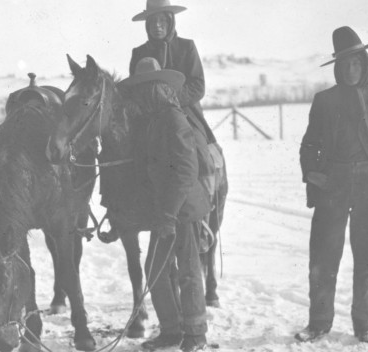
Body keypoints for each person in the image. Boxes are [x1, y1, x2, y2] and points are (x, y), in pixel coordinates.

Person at [296, 26, 368, 345]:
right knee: (323, 257)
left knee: (367, 258)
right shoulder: (324, 100)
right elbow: (309, 145)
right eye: (344, 64)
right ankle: (318, 323)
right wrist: (314, 173)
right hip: (333, 183)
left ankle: (364, 325)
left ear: (364, 63)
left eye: (356, 63)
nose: (350, 70)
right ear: (337, 68)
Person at [121, 57, 212, 352]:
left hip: (183, 210)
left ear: (157, 89)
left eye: (146, 88)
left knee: (187, 271)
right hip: (168, 211)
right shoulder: (152, 121)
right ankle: (172, 331)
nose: (140, 95)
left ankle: (195, 335)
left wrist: (169, 214)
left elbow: (186, 171)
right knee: (156, 269)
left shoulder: (173, 118)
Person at [129, 0, 217, 146]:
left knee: (201, 154)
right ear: (147, 25)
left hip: (185, 112)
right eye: (153, 21)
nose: (157, 25)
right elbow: (133, 87)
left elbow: (198, 85)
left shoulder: (186, 47)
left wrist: (169, 101)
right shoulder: (139, 53)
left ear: (170, 22)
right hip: (148, 114)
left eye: (162, 20)